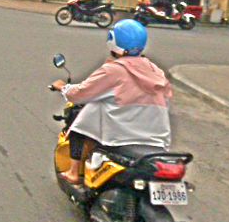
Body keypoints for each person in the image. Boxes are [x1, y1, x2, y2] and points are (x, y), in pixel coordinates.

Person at [51, 19, 173, 185]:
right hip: (158, 140)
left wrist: (63, 87)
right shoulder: (155, 70)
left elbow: (80, 94)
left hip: (121, 138)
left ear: (113, 41)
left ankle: (74, 172)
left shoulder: (114, 70)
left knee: (83, 118)